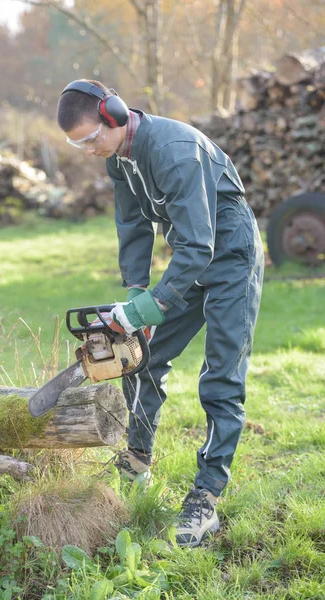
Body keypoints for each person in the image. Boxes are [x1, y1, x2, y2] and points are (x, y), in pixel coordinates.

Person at [56, 79, 264, 548]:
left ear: (114, 113)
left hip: (229, 255)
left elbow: (199, 245)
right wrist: (135, 300)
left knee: (221, 376)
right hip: (189, 258)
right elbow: (132, 227)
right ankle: (137, 460)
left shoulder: (173, 149)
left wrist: (148, 306)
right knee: (142, 357)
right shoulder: (120, 160)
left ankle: (206, 496)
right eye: (78, 144)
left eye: (91, 139)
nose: (88, 150)